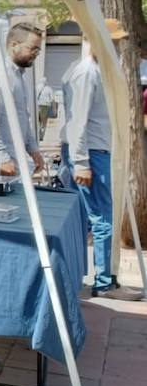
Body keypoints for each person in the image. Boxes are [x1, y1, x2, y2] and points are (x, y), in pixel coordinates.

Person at [61, 19, 139, 301]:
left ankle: (88, 278)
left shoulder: (91, 71)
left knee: (85, 218)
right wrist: (81, 161)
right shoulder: (87, 73)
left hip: (91, 150)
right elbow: (77, 121)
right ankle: (104, 282)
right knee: (101, 219)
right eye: (113, 41)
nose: (116, 47)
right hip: (90, 152)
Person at [0, 23, 45, 177]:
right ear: (13, 45)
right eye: (33, 48)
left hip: (11, 157)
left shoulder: (18, 77)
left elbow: (22, 118)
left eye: (38, 49)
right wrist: (3, 158)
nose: (36, 53)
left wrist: (33, 149)